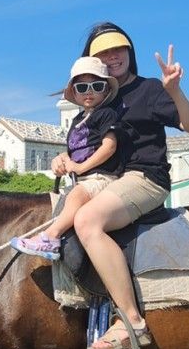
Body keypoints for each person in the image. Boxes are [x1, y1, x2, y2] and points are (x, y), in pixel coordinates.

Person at [52, 22, 189, 349]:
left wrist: (174, 90)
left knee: (88, 221)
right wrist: (64, 158)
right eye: (102, 52)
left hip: (143, 177)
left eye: (117, 48)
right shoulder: (96, 99)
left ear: (129, 51)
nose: (112, 56)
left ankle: (132, 322)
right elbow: (85, 147)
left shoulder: (148, 90)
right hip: (101, 180)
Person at [11, 56, 124, 261]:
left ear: (106, 90)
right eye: (82, 88)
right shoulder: (78, 120)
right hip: (81, 179)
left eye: (96, 86)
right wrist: (63, 160)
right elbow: (74, 151)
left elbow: (109, 146)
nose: (89, 91)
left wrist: (80, 167)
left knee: (76, 196)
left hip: (101, 177)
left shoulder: (106, 114)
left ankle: (51, 237)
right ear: (75, 93)